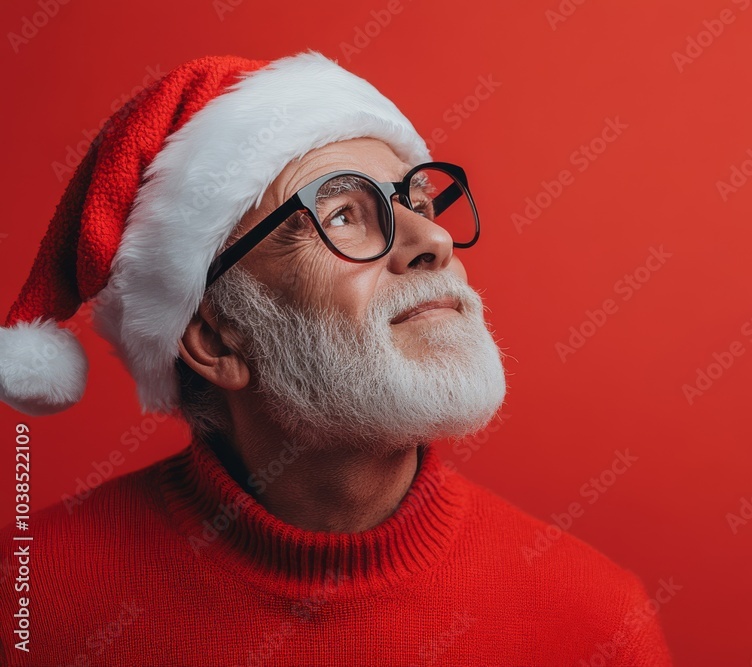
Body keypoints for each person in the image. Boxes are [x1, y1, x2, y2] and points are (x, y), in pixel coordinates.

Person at [0, 51, 672, 666]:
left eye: (415, 200)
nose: (432, 237)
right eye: (344, 216)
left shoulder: (594, 620)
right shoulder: (29, 601)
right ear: (214, 337)